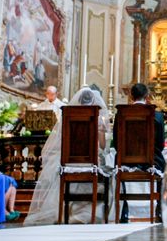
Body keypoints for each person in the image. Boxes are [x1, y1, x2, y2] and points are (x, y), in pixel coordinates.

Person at [24, 87, 113, 225]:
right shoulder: (97, 120)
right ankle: (88, 213)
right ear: (94, 101)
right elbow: (101, 146)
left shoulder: (68, 119)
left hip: (70, 163)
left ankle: (63, 212)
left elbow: (63, 142)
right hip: (90, 164)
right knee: (107, 173)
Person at [113, 83, 165, 222]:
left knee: (116, 160)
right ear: (147, 96)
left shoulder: (121, 114)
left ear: (131, 96)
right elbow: (161, 144)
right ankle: (159, 209)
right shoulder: (157, 116)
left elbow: (116, 142)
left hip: (125, 162)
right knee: (164, 163)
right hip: (152, 162)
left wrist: (129, 155)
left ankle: (123, 210)